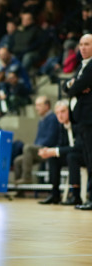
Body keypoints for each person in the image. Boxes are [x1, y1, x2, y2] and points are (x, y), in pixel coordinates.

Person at [63, 34, 92, 210]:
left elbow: (75, 87)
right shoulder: (82, 65)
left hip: (90, 119)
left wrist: (75, 86)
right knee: (88, 159)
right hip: (82, 120)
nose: (83, 47)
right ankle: (88, 197)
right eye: (81, 44)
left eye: (87, 44)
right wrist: (75, 86)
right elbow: (68, 86)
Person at [38, 100, 85, 205]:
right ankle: (54, 194)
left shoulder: (78, 124)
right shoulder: (62, 126)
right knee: (53, 157)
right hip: (72, 155)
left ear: (70, 111)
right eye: (57, 113)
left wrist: (55, 150)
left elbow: (79, 147)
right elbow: (61, 145)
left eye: (63, 111)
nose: (60, 115)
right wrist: (49, 151)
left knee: (71, 157)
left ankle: (76, 196)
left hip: (85, 156)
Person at [13, 96, 60, 184]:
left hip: (48, 149)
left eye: (39, 105)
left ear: (47, 106)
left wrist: (37, 147)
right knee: (18, 160)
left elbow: (51, 139)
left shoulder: (53, 118)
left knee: (28, 148)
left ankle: (27, 178)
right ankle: (19, 189)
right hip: (39, 149)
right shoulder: (41, 120)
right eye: (36, 105)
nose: (36, 108)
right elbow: (38, 139)